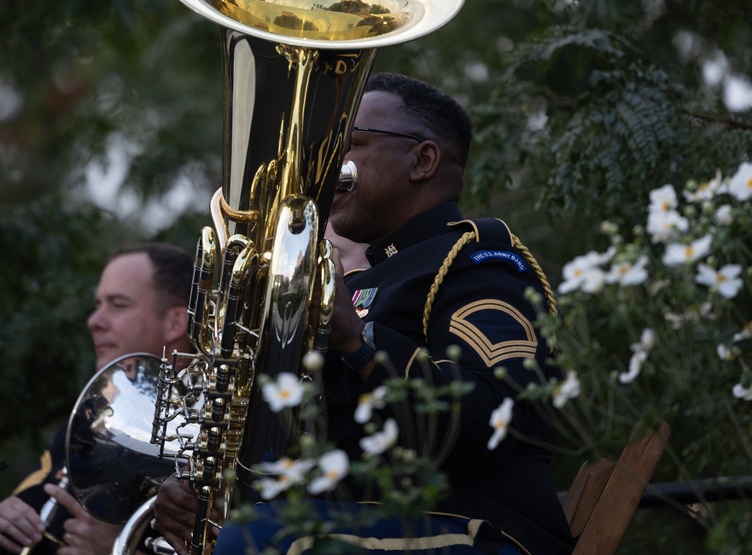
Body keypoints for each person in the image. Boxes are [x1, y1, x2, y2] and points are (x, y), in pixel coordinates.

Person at [154, 73, 574, 555]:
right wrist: (206, 487)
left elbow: (500, 416)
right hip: (357, 522)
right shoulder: (364, 280)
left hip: (478, 529)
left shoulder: (481, 261)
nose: (330, 164)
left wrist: (360, 343)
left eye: (351, 144)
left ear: (423, 160)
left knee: (260, 538)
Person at [0, 242, 195, 555]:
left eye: (118, 305)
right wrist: (8, 516)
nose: (94, 320)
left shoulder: (222, 432)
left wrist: (117, 549)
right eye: (98, 304)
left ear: (176, 323)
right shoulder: (93, 418)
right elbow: (30, 508)